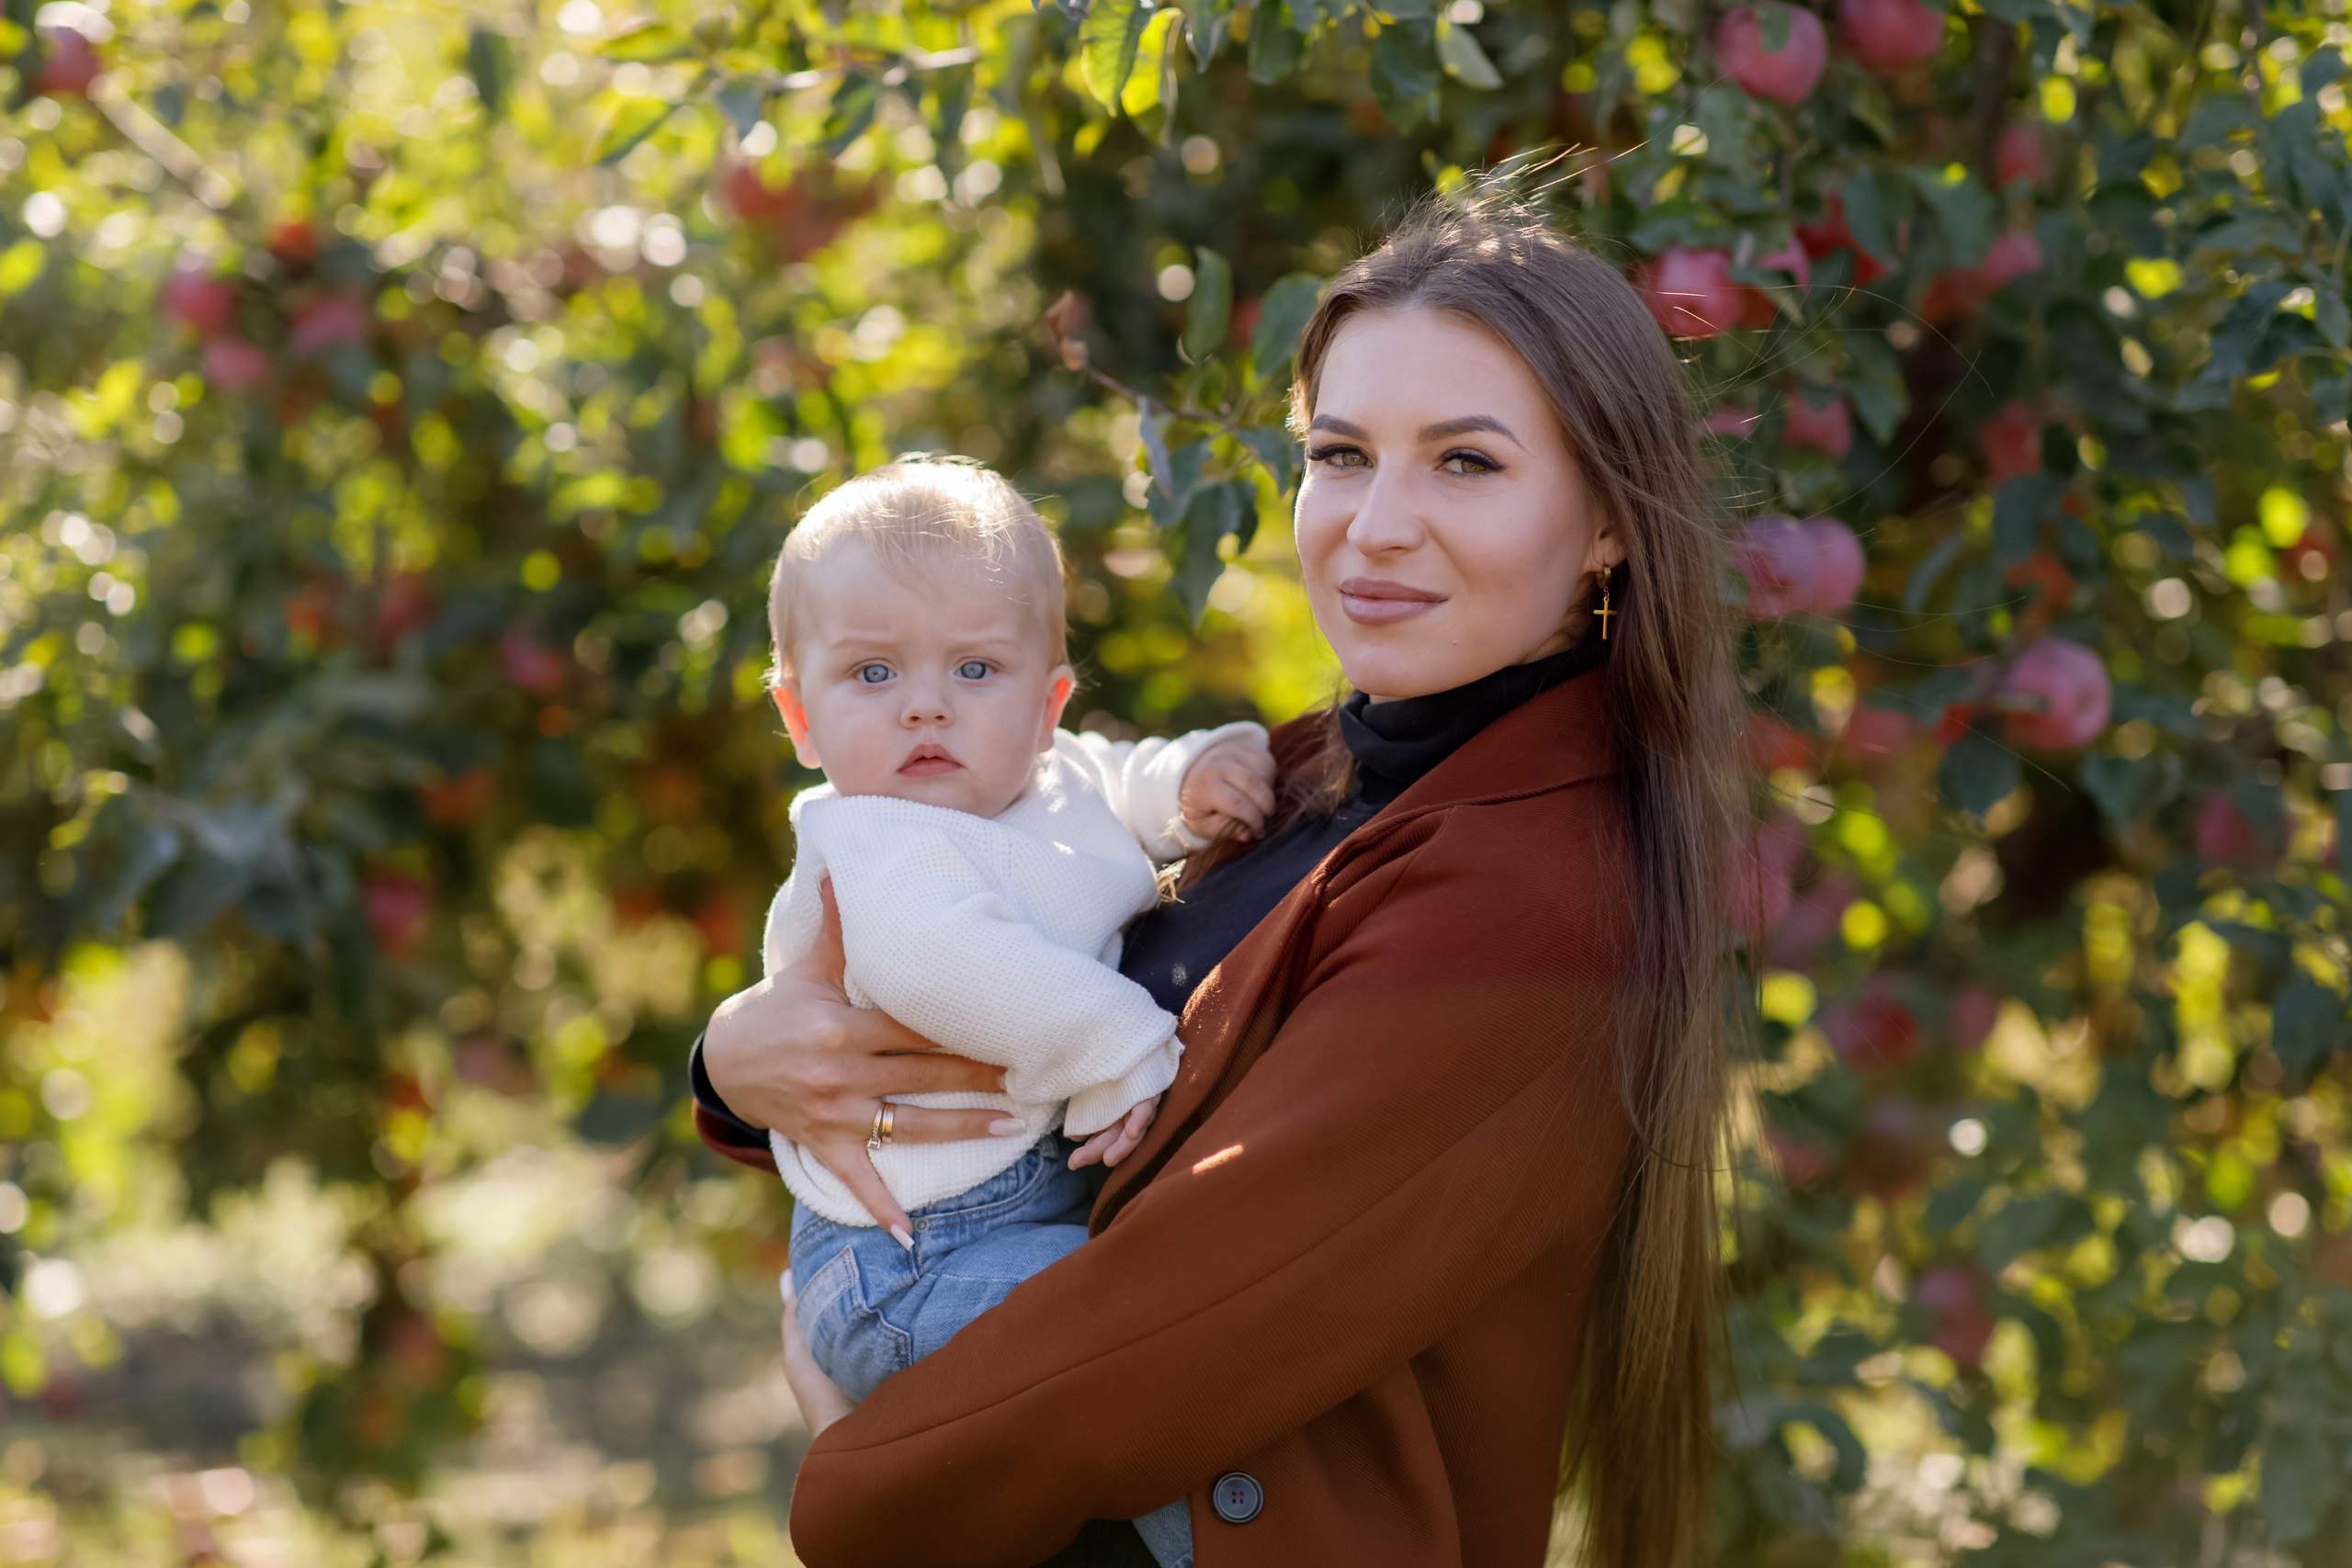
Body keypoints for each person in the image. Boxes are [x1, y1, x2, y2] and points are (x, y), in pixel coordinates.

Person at [694, 198, 1747, 1568]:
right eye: (1341, 454)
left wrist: (856, 1468)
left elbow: (1191, 1300)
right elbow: (1008, 937)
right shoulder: (1325, 772)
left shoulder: (1534, 890)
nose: (1375, 524)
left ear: (1607, 519)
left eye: (1466, 463)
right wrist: (738, 1062)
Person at [751, 456, 1272, 1532]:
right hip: (908, 1258)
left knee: (1164, 1357)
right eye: (872, 675)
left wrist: (1191, 779)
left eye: (976, 670)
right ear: (801, 721)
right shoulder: (877, 842)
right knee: (1147, 1343)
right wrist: (1122, 1051)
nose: (925, 707)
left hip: (1003, 1209)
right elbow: (954, 969)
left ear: (1047, 706)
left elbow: (1111, 778)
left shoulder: (1051, 775)